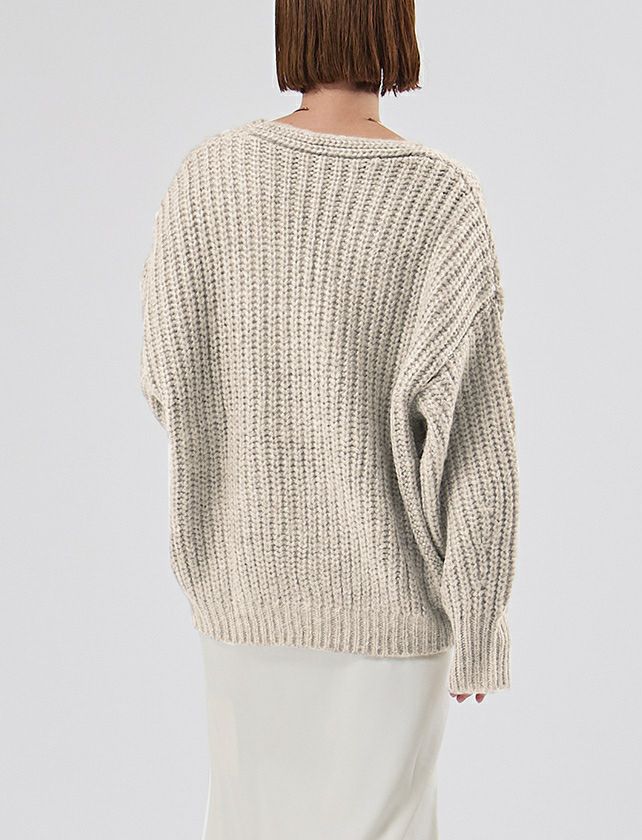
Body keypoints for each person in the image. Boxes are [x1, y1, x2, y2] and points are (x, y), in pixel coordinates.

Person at [139, 1, 519, 837]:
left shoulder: (208, 179)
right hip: (391, 613)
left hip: (241, 600)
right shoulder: (440, 200)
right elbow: (474, 450)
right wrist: (479, 622)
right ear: (396, 25)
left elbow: (167, 383)